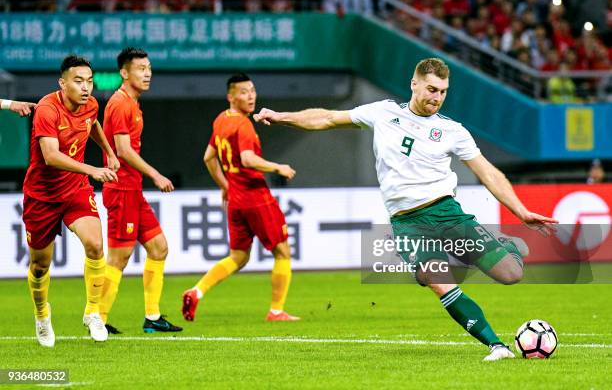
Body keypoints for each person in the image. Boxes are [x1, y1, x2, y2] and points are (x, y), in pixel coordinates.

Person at [254, 58, 558, 360]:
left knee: (510, 274)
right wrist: (282, 117)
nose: (436, 97)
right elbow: (327, 118)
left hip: (447, 214)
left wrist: (520, 211)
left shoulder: (453, 131)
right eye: (431, 89)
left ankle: (509, 246)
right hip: (408, 224)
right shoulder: (382, 112)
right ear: (414, 84)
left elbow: (489, 172)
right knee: (439, 282)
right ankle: (496, 346)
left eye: (442, 92)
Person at [182, 73, 299, 322]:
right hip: (256, 196)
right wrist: (277, 167)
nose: (251, 96)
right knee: (282, 251)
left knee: (239, 256)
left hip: (235, 199)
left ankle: (197, 291)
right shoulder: (243, 125)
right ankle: (276, 311)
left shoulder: (221, 120)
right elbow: (247, 159)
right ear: (231, 96)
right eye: (244, 92)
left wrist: (224, 185)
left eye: (253, 91)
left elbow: (208, 157)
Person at [23, 55, 120, 347]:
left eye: (89, 81)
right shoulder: (46, 109)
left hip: (75, 189)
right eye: (78, 81)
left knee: (95, 244)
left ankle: (93, 313)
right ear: (62, 83)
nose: (86, 87)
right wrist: (93, 169)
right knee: (40, 265)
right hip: (42, 195)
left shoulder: (90, 104)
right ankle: (42, 316)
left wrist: (110, 152)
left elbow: (93, 124)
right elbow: (51, 157)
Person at [99, 47, 182, 334]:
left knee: (159, 248)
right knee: (118, 258)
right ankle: (97, 318)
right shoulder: (121, 103)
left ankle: (152, 317)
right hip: (121, 189)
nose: (147, 73)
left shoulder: (132, 103)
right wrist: (155, 174)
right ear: (124, 72)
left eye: (149, 68)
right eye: (140, 68)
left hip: (132, 190)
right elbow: (122, 150)